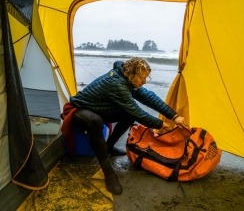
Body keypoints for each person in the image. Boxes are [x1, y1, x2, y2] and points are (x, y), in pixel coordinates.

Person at [62, 57, 185, 195]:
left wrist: (174, 116)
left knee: (128, 114)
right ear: (132, 74)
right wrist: (161, 124)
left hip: (97, 109)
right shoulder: (117, 83)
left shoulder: (127, 79)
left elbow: (149, 97)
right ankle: (108, 172)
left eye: (146, 78)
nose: (144, 82)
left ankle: (108, 147)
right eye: (142, 78)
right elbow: (138, 112)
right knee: (96, 121)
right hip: (79, 110)